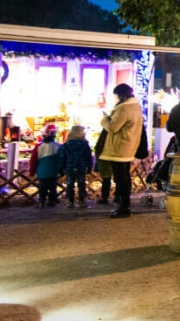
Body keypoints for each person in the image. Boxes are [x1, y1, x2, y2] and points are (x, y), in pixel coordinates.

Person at [99, 83, 143, 219]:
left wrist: (104, 119)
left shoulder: (124, 108)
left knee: (120, 178)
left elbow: (113, 127)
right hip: (129, 145)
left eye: (116, 95)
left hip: (119, 147)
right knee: (124, 177)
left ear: (121, 95)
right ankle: (125, 205)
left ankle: (124, 207)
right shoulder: (136, 107)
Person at [58, 124, 93, 208]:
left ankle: (70, 201)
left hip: (69, 166)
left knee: (70, 184)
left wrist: (61, 168)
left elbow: (62, 157)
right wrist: (89, 167)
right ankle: (82, 200)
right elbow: (88, 156)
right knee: (81, 184)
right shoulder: (84, 144)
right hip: (81, 166)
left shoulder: (66, 145)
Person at [29, 123, 62, 207]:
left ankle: (41, 201)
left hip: (42, 170)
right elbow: (61, 159)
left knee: (42, 186)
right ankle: (52, 201)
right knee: (52, 186)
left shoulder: (38, 146)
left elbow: (33, 160)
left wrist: (31, 172)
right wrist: (61, 170)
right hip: (53, 170)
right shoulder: (58, 146)